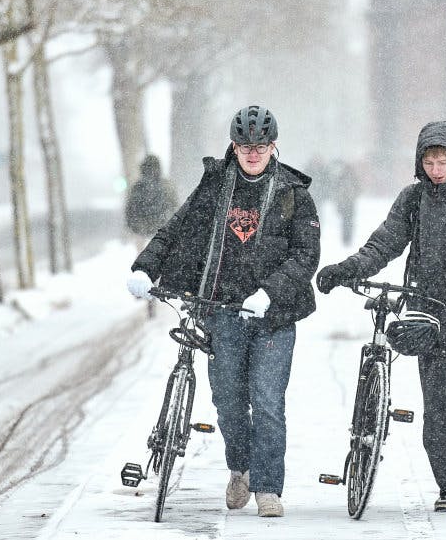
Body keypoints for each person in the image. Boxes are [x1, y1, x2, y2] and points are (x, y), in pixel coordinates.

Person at [126, 105, 320, 518]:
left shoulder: (292, 194)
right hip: (223, 310)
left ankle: (268, 488)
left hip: (273, 318)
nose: (253, 153)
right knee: (229, 402)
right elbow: (175, 229)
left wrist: (269, 293)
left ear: (273, 147)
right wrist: (145, 265)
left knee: (268, 402)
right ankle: (242, 468)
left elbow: (306, 255)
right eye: (246, 146)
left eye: (261, 146)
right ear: (234, 146)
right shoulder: (215, 186)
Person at [315, 121, 446, 512]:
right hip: (432, 318)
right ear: (419, 163)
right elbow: (384, 243)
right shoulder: (413, 200)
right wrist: (349, 268)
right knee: (439, 406)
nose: (436, 169)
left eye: (443, 161)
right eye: (429, 161)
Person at [124, 154, 178, 317]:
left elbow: (130, 210)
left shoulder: (137, 187)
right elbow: (174, 206)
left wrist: (134, 228)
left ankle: (141, 288)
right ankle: (158, 286)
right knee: (159, 260)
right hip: (159, 231)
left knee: (142, 261)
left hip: (141, 231)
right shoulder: (165, 185)